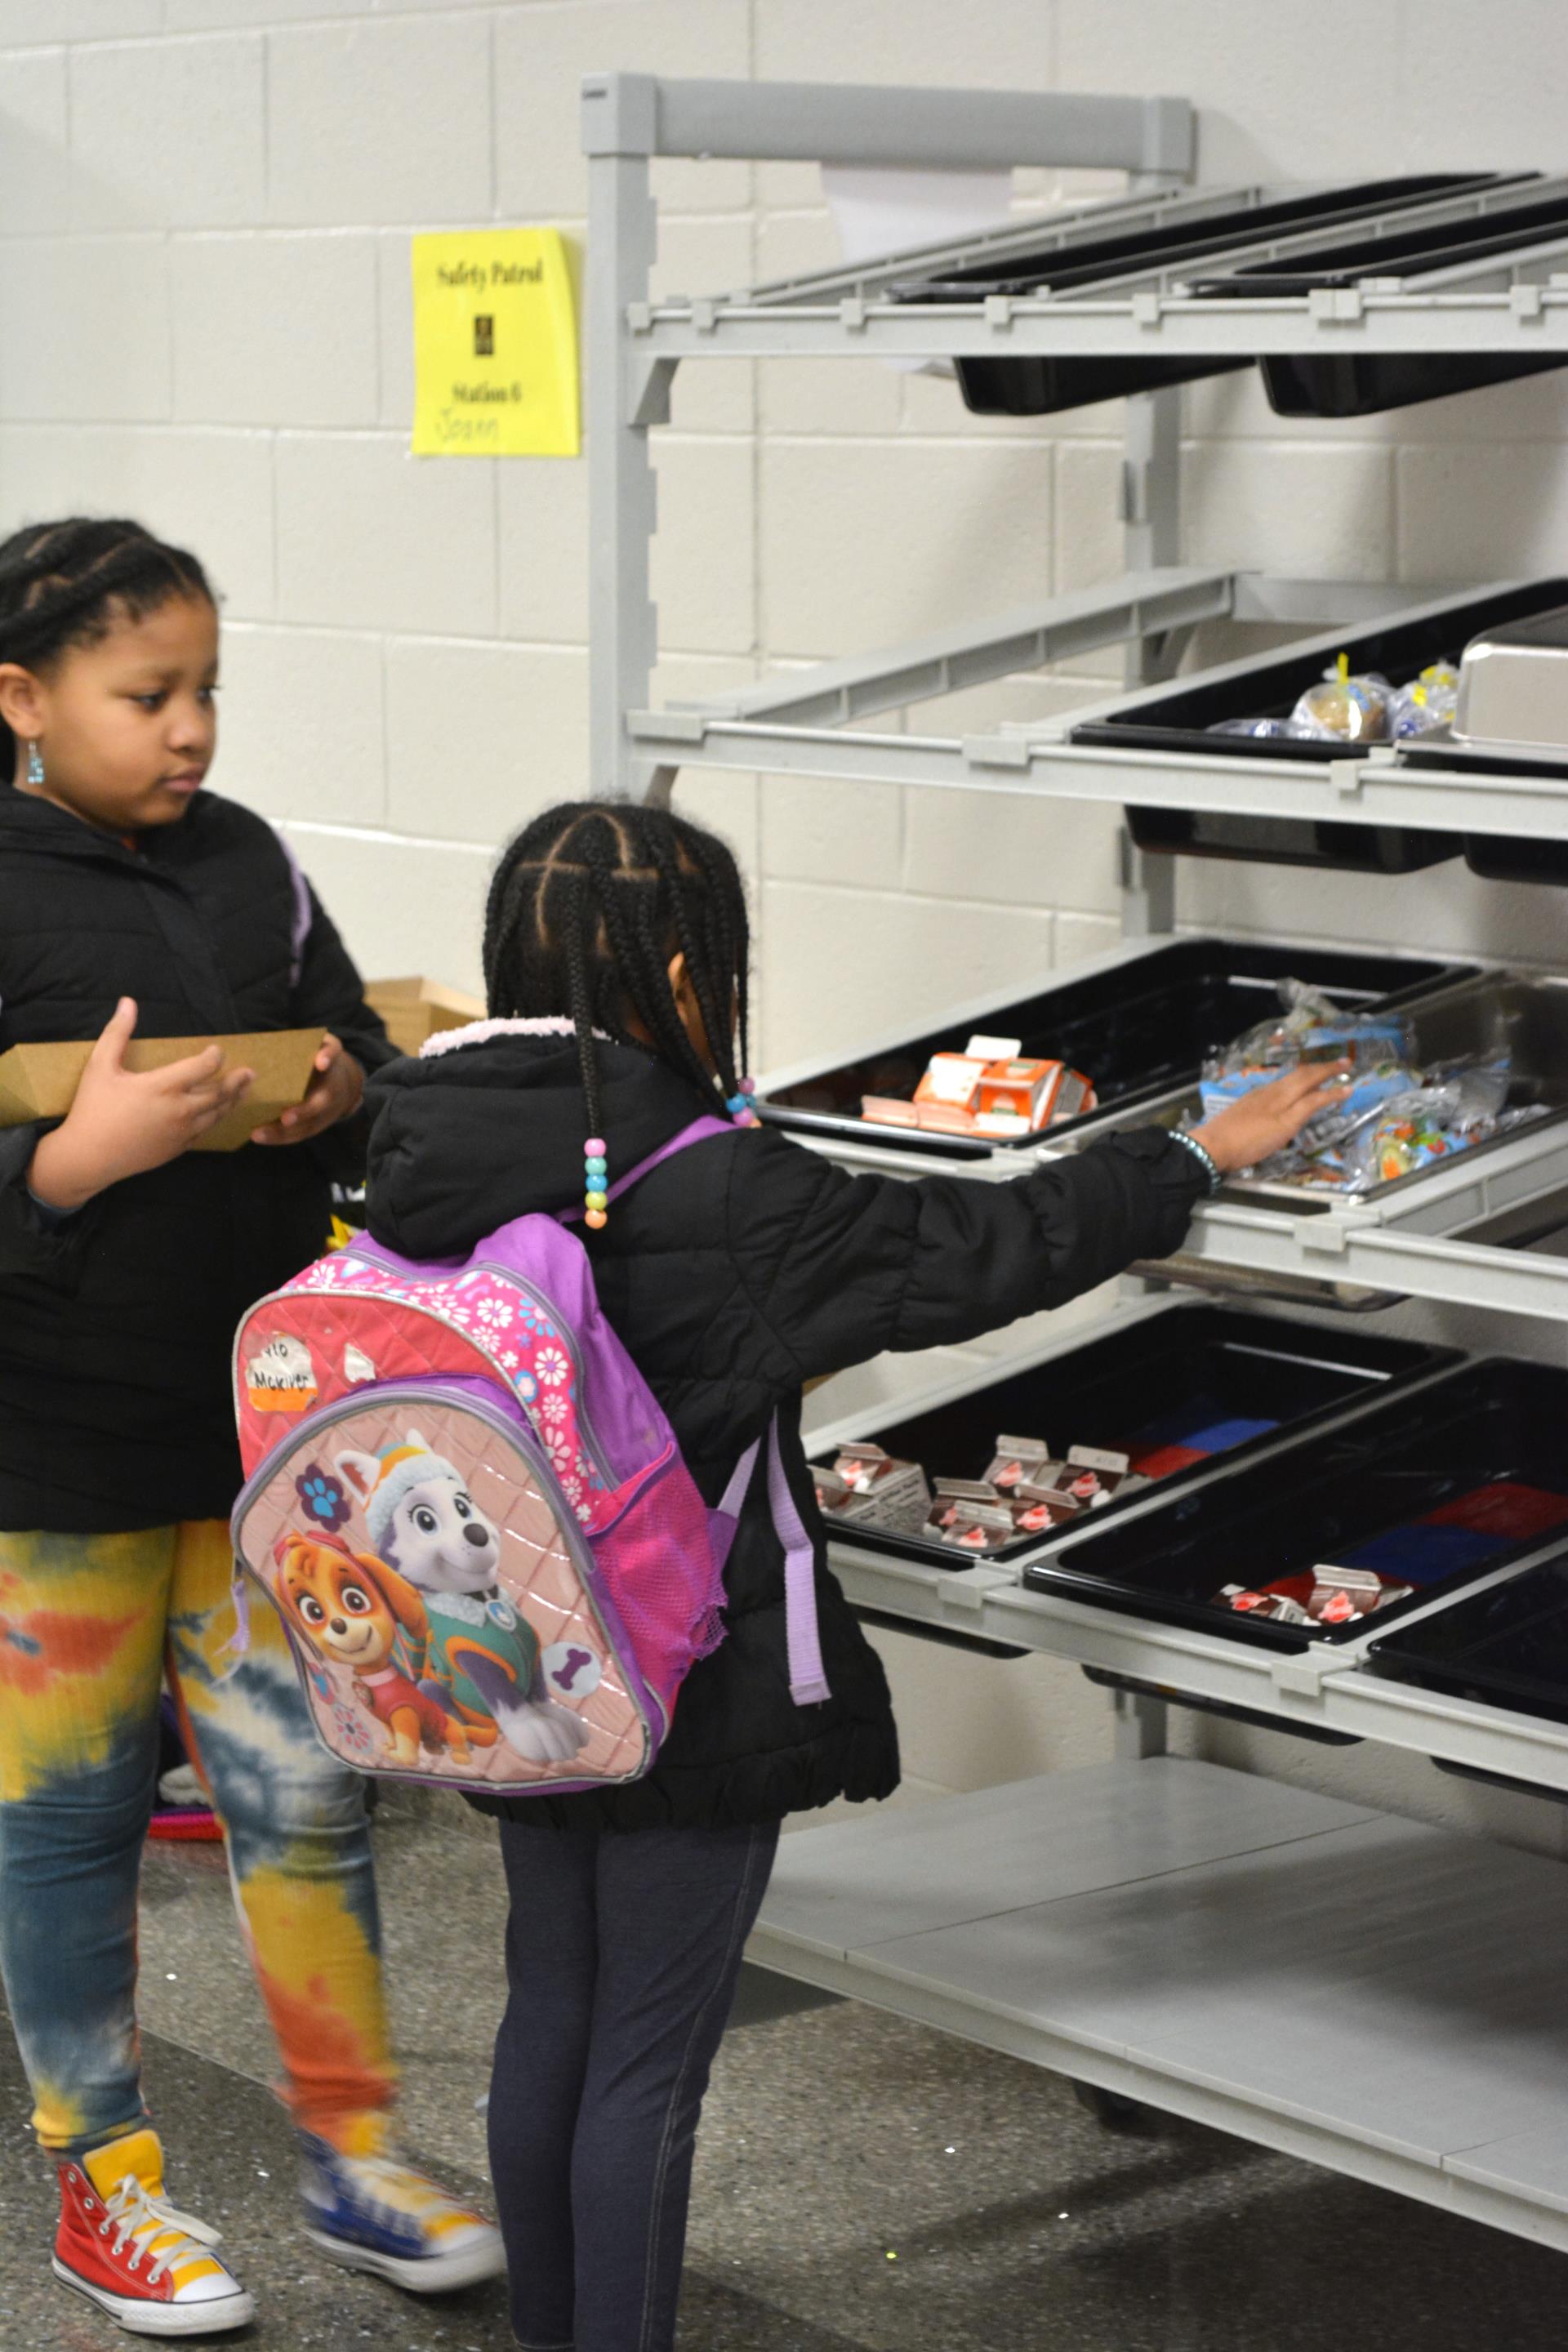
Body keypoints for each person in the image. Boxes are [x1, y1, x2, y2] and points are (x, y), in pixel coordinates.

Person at [361, 796, 1347, 2352]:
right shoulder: (724, 1189)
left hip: (512, 1657)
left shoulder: (420, 1139)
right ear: (691, 980)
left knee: (551, 2008)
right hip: (694, 1671)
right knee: (646, 2059)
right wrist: (1189, 1155)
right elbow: (978, 1247)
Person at [0, 518, 504, 2338]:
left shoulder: (251, 864)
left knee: (305, 1802)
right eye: (147, 695)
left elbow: (357, 1032)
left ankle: (357, 2160)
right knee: (63, 1827)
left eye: (207, 688)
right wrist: (68, 1164)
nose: (191, 727)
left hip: (257, 1450)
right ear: (21, 699)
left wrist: (339, 1091)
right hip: (43, 1471)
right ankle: (103, 2186)